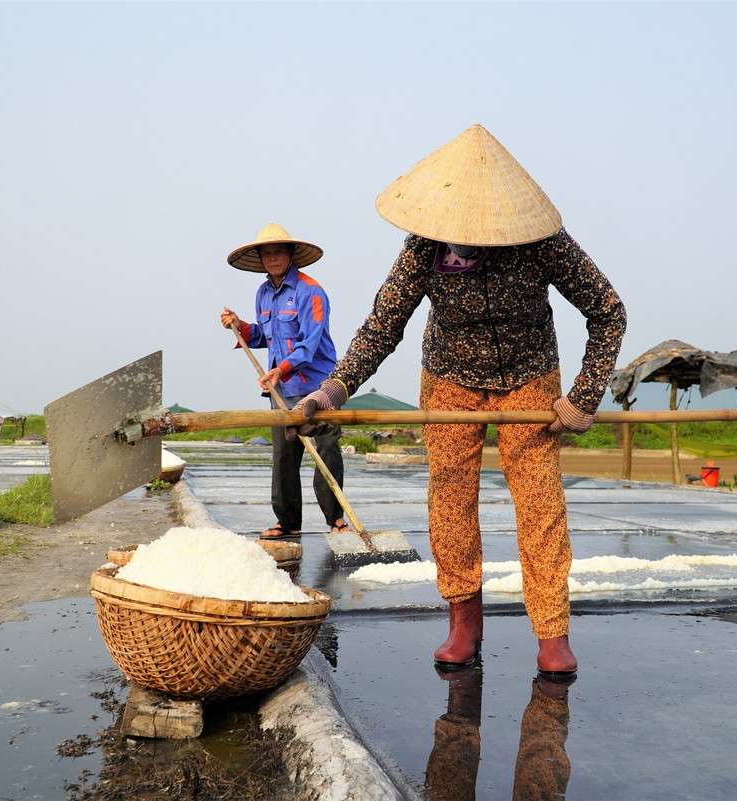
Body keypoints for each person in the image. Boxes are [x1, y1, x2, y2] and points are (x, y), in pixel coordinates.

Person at [292, 124, 627, 679]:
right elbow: (383, 325)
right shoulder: (423, 248)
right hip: (449, 376)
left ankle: (552, 631)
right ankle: (463, 621)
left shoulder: (543, 243)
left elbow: (608, 310)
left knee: (540, 501)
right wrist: (333, 388)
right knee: (450, 496)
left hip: (529, 376)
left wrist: (584, 394)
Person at [220, 223, 348, 539]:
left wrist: (282, 368)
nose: (273, 257)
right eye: (267, 253)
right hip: (282, 390)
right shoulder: (263, 294)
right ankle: (288, 522)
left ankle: (336, 520)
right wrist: (240, 325)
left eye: (278, 251)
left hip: (319, 388)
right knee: (284, 458)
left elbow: (310, 343)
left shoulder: (311, 291)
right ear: (261, 259)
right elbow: (265, 336)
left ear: (291, 254)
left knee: (327, 450)